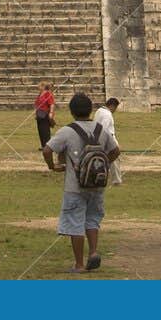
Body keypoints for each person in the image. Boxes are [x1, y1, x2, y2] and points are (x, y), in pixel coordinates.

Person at [43, 92, 120, 273]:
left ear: (72, 111)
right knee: (92, 219)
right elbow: (116, 151)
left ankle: (79, 264)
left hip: (75, 186)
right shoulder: (100, 129)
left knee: (75, 222)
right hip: (97, 184)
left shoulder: (67, 131)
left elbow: (47, 150)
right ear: (90, 110)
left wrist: (52, 166)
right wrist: (104, 165)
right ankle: (93, 252)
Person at [94, 97, 123, 184]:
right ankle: (116, 180)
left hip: (98, 138)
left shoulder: (99, 111)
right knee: (115, 159)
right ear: (112, 106)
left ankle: (98, 177)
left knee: (101, 159)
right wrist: (112, 144)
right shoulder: (107, 114)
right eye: (115, 108)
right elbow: (104, 130)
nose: (115, 110)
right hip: (108, 139)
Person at [35, 83, 56, 150]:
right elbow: (37, 104)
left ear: (43, 86)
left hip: (45, 114)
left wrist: (51, 113)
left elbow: (52, 104)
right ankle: (43, 145)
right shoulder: (40, 94)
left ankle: (47, 146)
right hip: (39, 114)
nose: (38, 87)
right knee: (40, 130)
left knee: (45, 130)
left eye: (39, 86)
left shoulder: (48, 94)